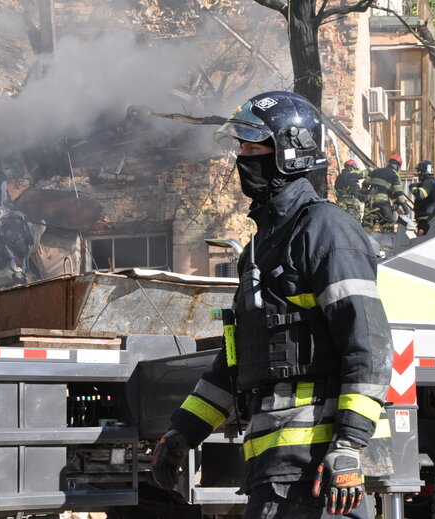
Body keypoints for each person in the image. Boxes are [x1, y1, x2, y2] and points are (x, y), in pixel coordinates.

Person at [151, 91, 394, 519]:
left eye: (253, 147)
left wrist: (349, 446)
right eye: (240, 148)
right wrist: (183, 433)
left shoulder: (327, 232)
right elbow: (237, 361)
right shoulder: (259, 248)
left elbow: (368, 346)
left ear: (289, 151)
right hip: (274, 474)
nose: (242, 159)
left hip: (321, 473)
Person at [361, 155, 407, 233]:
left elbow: (365, 184)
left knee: (366, 229)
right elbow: (398, 192)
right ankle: (386, 244)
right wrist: (404, 205)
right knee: (387, 228)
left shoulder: (375, 171)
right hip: (383, 205)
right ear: (398, 166)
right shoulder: (394, 174)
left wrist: (364, 195)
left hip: (370, 203)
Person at [409, 160, 435, 236]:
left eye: (419, 171)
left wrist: (412, 187)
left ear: (423, 172)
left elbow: (420, 195)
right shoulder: (428, 182)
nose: (417, 173)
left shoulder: (428, 182)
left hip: (427, 221)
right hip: (425, 220)